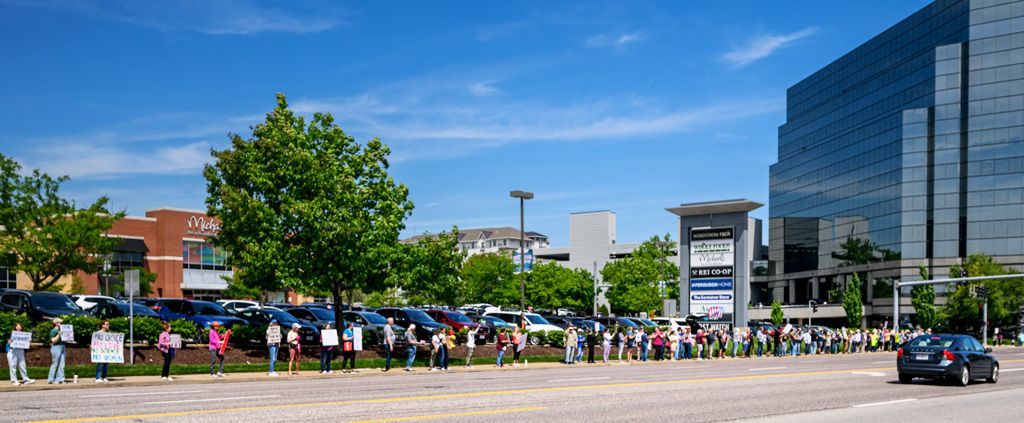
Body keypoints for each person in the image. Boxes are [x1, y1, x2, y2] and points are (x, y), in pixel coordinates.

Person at [47, 318, 66, 384]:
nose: (61, 324)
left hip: (63, 347)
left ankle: (60, 378)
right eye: (60, 322)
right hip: (56, 347)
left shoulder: (62, 330)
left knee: (62, 364)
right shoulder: (53, 331)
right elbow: (53, 341)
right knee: (55, 363)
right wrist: (59, 335)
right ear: (56, 323)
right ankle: (51, 379)